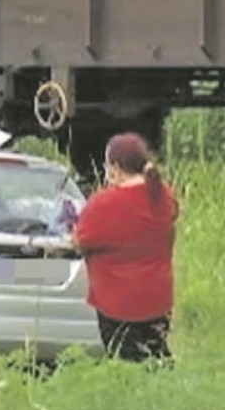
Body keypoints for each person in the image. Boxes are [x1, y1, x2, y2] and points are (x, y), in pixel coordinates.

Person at [72, 132, 179, 363]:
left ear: (116, 168)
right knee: (156, 359)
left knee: (126, 367)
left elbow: (79, 241)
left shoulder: (103, 204)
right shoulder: (163, 196)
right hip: (157, 301)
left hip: (118, 305)